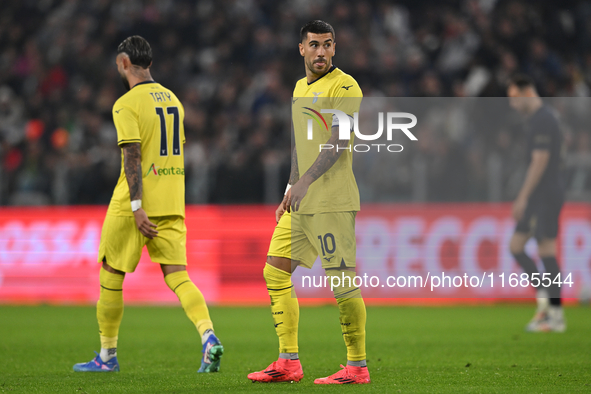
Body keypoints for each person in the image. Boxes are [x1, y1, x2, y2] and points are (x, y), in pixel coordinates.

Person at [73, 36, 223, 373]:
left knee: (111, 272)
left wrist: (137, 205)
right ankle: (208, 336)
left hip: (134, 204)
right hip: (172, 201)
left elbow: (133, 153)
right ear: (150, 63)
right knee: (178, 275)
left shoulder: (126, 104)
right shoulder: (173, 100)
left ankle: (107, 357)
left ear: (124, 63)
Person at [247, 21, 370, 384]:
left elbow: (339, 139)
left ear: (335, 48)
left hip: (332, 201)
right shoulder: (300, 88)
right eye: (314, 45)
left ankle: (357, 366)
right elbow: (300, 145)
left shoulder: (346, 86)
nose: (321, 52)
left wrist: (305, 182)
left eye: (327, 45)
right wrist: (290, 188)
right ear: (301, 49)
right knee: (275, 270)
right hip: (301, 201)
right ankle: (288, 362)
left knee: (342, 282)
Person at [507, 74, 566, 332]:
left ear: (526, 92)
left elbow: (540, 160)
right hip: (544, 194)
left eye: (513, 98)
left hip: (544, 194)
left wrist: (523, 195)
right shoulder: (541, 119)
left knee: (544, 251)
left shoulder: (543, 120)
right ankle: (548, 304)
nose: (512, 104)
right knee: (519, 246)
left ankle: (553, 313)